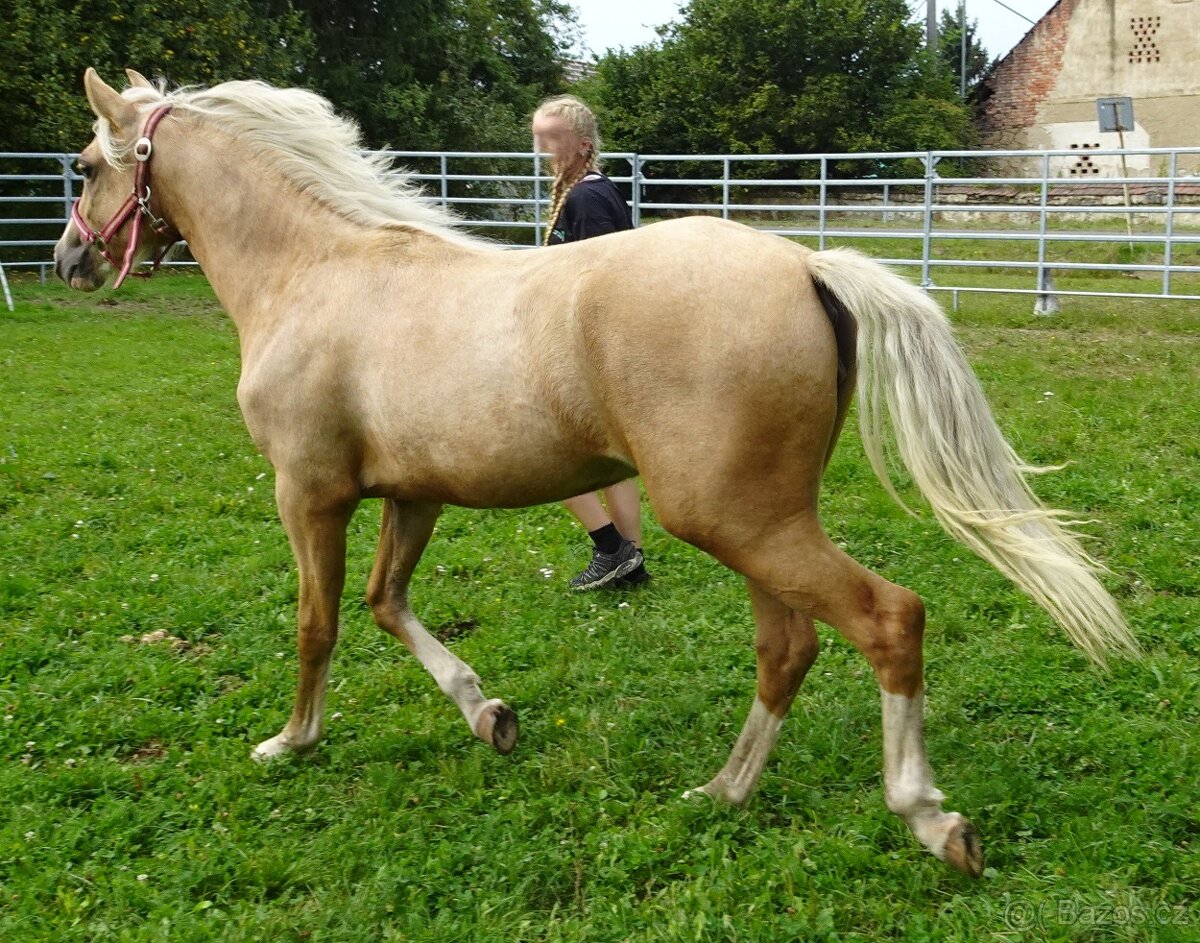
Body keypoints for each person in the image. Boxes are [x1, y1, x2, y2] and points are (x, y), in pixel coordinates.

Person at [531, 95, 650, 591]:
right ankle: (631, 558)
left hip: (586, 352)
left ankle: (610, 547)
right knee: (608, 458)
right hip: (591, 349)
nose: (542, 149)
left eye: (552, 139)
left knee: (546, 455)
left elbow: (599, 282)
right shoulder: (582, 191)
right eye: (538, 138)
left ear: (582, 145)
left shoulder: (587, 198)